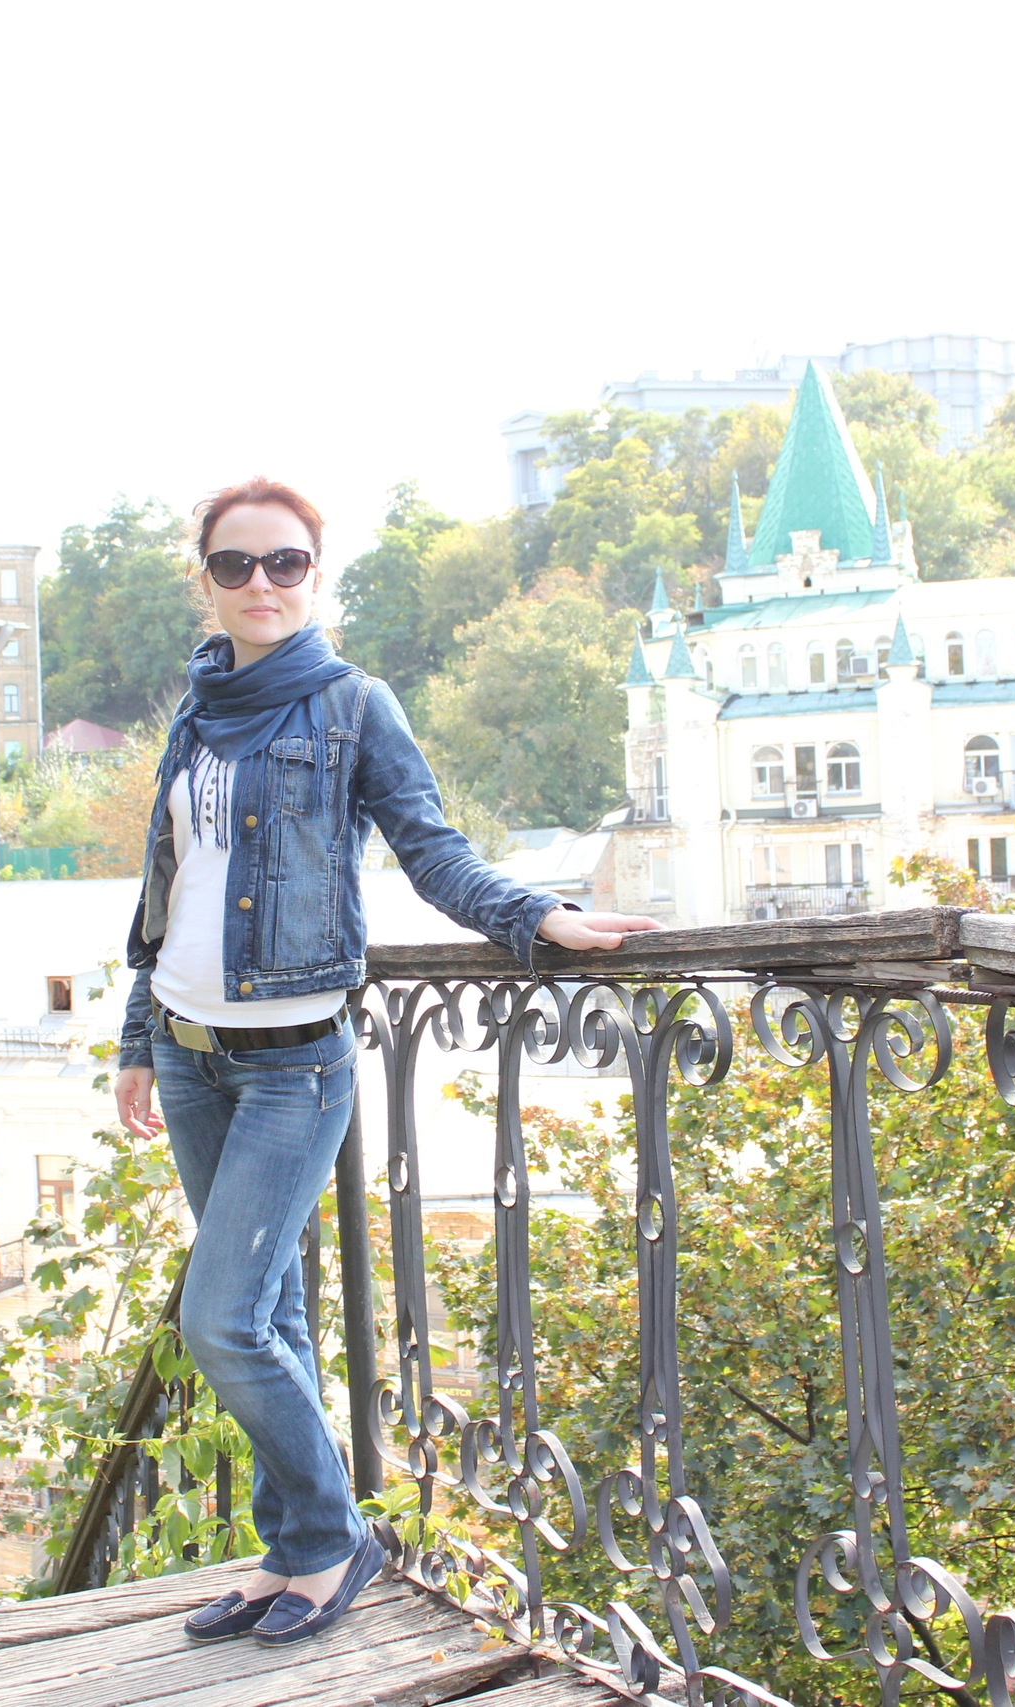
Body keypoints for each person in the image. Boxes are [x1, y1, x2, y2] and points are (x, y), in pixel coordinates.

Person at [112, 477, 658, 1648]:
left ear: (317, 574)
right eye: (236, 564)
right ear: (205, 579)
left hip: (291, 1066)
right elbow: (167, 889)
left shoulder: (354, 705)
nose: (261, 583)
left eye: (286, 562)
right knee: (270, 1316)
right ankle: (292, 1549)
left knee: (221, 1322)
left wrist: (533, 915)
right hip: (190, 1053)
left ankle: (333, 1541)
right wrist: (137, 1039)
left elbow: (429, 845)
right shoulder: (196, 712)